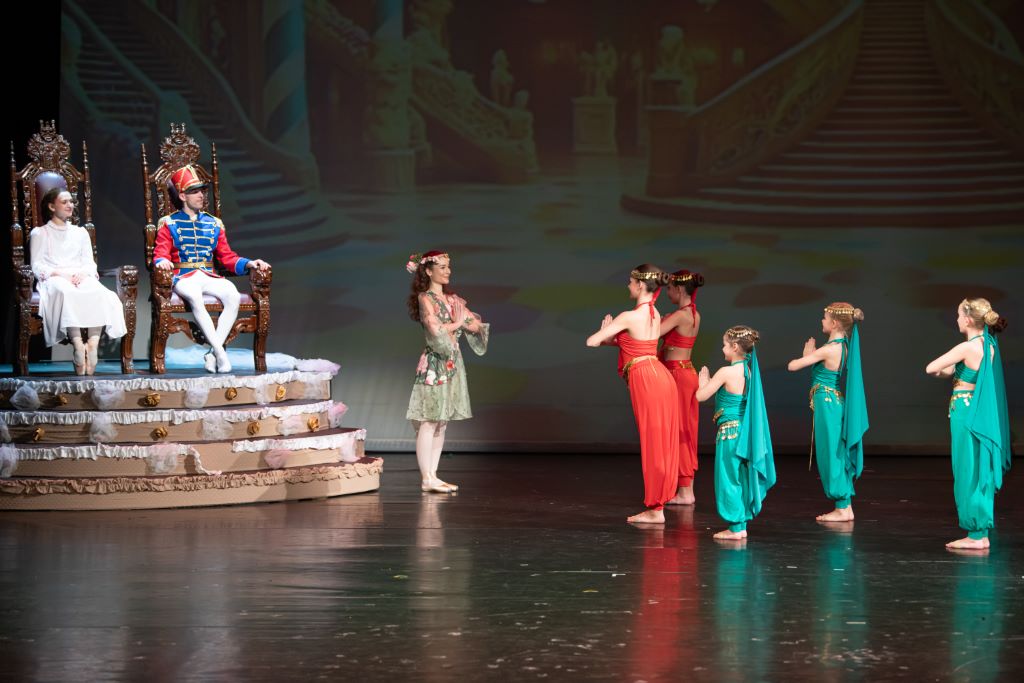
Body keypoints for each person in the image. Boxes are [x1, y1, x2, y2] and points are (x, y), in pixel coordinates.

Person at [153, 165, 270, 373]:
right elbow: (160, 253)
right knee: (194, 295)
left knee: (232, 295)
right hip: (184, 276)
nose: (201, 195)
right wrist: (161, 261)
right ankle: (221, 353)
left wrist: (249, 263)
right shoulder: (169, 223)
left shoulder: (214, 223)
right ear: (182, 196)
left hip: (209, 275)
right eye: (195, 192)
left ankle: (212, 353)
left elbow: (227, 257)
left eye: (202, 191)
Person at [587, 264, 680, 524]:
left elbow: (591, 341)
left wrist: (607, 328)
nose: (628, 285)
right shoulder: (655, 314)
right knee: (661, 443)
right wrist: (614, 336)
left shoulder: (629, 316)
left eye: (630, 281)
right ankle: (657, 506)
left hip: (647, 380)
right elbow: (635, 345)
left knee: (653, 443)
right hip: (660, 376)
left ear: (640, 285)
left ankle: (655, 509)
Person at [925, 298, 1010, 550]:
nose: (957, 319)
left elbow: (931, 368)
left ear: (969, 319)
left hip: (964, 411)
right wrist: (949, 369)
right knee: (978, 467)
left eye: (959, 315)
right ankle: (980, 533)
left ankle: (975, 535)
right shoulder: (989, 344)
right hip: (977, 409)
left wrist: (945, 368)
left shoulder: (967, 347)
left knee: (967, 468)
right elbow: (958, 372)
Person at [406, 251, 489, 493]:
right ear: (428, 271)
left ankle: (433, 475)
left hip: (452, 362)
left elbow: (475, 325)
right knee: (429, 419)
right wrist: (459, 323)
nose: (447, 271)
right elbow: (434, 329)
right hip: (434, 363)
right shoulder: (426, 298)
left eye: (448, 266)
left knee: (441, 422)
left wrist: (467, 321)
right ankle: (426, 478)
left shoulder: (453, 300)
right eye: (441, 267)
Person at [29, 188, 127, 375]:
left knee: (101, 293)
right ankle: (77, 344)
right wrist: (59, 273)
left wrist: (84, 273)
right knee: (66, 292)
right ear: (52, 206)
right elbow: (37, 264)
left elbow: (89, 262)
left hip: (80, 275)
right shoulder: (40, 233)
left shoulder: (80, 232)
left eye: (71, 201)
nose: (70, 205)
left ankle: (92, 344)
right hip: (55, 277)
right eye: (64, 202)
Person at [786, 303, 869, 522]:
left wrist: (807, 355)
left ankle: (842, 507)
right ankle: (845, 506)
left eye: (824, 318)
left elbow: (792, 366)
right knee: (835, 451)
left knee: (831, 452)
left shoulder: (829, 349)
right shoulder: (842, 346)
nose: (822, 321)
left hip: (827, 403)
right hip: (832, 401)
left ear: (834, 323)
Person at [695, 326, 775, 540]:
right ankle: (741, 526)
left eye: (724, 345)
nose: (722, 348)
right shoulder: (749, 371)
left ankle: (735, 528)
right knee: (741, 478)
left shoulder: (726, 372)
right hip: (744, 433)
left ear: (735, 347)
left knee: (729, 479)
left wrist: (703, 382)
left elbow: (701, 396)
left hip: (729, 434)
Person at [659, 269, 704, 506]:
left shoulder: (680, 315)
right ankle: (685, 488)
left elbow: (652, 334)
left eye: (669, 289)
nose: (668, 293)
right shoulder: (695, 315)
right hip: (686, 373)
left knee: (680, 431)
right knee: (686, 430)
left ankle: (686, 491)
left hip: (677, 375)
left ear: (678, 289)